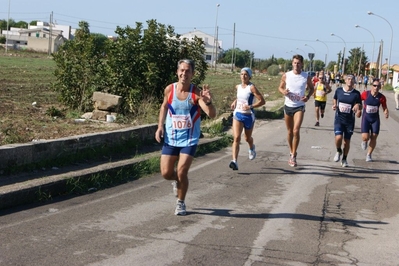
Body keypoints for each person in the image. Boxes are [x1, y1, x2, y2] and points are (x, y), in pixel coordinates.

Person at [155, 59, 216, 216]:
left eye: (188, 71)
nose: (184, 73)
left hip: (189, 139)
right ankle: (178, 181)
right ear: (177, 72)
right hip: (171, 138)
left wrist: (208, 102)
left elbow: (211, 114)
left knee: (182, 171)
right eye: (182, 70)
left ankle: (180, 203)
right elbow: (163, 107)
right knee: (166, 173)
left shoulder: (196, 94)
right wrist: (160, 126)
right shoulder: (169, 89)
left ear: (192, 74)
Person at [278, 54, 314, 167]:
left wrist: (307, 97)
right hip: (288, 105)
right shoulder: (286, 75)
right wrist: (283, 91)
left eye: (298, 63)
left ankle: (293, 155)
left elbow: (312, 88)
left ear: (302, 64)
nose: (296, 65)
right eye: (294, 63)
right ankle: (291, 151)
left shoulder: (305, 76)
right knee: (289, 132)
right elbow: (280, 87)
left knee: (295, 130)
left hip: (299, 106)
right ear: (292, 63)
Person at [229, 67, 265, 170]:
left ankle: (251, 147)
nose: (243, 76)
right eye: (242, 74)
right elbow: (240, 96)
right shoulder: (238, 87)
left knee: (247, 138)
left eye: (246, 74)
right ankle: (234, 161)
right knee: (236, 137)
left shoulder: (252, 87)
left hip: (248, 116)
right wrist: (235, 101)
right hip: (238, 114)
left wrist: (250, 106)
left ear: (249, 76)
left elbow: (262, 101)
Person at [332, 74, 362, 167]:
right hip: (339, 119)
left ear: (354, 81)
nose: (350, 81)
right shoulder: (339, 90)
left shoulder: (356, 93)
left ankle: (344, 159)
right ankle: (338, 150)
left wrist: (358, 106)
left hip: (349, 121)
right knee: (338, 137)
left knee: (346, 141)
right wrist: (334, 105)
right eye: (348, 79)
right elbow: (335, 98)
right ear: (345, 80)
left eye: (352, 79)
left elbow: (360, 105)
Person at [360, 78, 389, 162]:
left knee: (374, 137)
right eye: (374, 85)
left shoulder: (382, 97)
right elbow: (358, 100)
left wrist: (386, 112)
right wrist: (357, 107)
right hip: (366, 118)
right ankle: (364, 141)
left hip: (375, 119)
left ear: (380, 87)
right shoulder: (366, 94)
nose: (376, 87)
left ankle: (369, 155)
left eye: (378, 86)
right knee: (365, 137)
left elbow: (384, 107)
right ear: (372, 86)